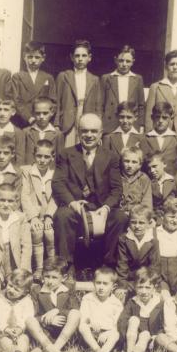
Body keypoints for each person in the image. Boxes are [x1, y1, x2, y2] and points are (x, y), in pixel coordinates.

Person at [52, 114, 127, 268]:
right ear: (78, 132)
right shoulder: (66, 154)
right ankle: (66, 267)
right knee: (62, 215)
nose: (89, 135)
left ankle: (108, 266)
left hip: (101, 208)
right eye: (85, 131)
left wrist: (106, 208)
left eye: (94, 131)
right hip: (76, 209)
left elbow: (117, 189)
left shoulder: (111, 156)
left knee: (120, 218)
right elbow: (58, 183)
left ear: (100, 133)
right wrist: (72, 203)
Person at [26, 257, 80, 352]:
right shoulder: (37, 290)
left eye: (54, 277)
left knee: (76, 314)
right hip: (46, 332)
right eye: (47, 276)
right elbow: (34, 315)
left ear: (63, 278)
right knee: (29, 320)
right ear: (42, 276)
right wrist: (45, 319)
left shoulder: (68, 288)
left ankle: (54, 349)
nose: (50, 281)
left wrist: (57, 310)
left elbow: (75, 309)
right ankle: (53, 351)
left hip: (64, 332)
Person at [20, 139, 57, 280]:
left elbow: (56, 197)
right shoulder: (26, 172)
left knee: (49, 232)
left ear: (52, 157)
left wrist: (49, 216)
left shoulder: (54, 174)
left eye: (46, 157)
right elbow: (24, 195)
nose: (42, 160)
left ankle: (52, 267)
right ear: (34, 155)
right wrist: (33, 217)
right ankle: (39, 268)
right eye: (39, 156)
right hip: (33, 214)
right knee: (36, 232)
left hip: (48, 213)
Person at [55, 40, 103, 147]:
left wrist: (98, 126)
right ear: (72, 57)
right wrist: (56, 123)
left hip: (87, 115)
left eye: (84, 55)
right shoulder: (64, 76)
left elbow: (98, 106)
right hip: (68, 118)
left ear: (89, 57)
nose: (80, 59)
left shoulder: (94, 79)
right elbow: (57, 101)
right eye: (77, 56)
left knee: (85, 147)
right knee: (68, 147)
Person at [144, 49, 177, 139]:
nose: (175, 67)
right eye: (172, 64)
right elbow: (149, 115)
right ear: (166, 66)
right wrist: (149, 135)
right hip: (160, 135)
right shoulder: (156, 87)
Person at [78, 267, 124, 352]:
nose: (101, 287)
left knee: (115, 334)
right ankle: (98, 350)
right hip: (91, 334)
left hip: (107, 335)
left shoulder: (116, 303)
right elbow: (84, 317)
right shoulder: (87, 298)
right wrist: (91, 323)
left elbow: (116, 324)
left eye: (105, 284)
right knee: (82, 327)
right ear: (94, 283)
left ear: (113, 286)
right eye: (98, 283)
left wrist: (108, 332)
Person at [117, 268, 163, 352]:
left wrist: (156, 337)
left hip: (150, 337)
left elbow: (164, 324)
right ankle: (129, 351)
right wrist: (124, 335)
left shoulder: (159, 304)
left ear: (154, 288)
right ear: (135, 287)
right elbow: (122, 320)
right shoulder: (133, 302)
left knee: (145, 334)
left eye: (147, 287)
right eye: (140, 287)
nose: (143, 291)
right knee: (134, 319)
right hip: (132, 336)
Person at [11, 41, 57, 128]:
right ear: (24, 57)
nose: (33, 60)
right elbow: (16, 100)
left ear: (43, 58)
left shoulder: (48, 77)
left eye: (37, 57)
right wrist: (29, 117)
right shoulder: (17, 77)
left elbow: (53, 101)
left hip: (42, 119)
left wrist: (45, 117)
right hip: (22, 120)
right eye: (30, 57)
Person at [101, 45, 145, 134]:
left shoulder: (137, 79)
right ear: (115, 60)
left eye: (128, 61)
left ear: (133, 62)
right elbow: (100, 104)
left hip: (130, 123)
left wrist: (141, 124)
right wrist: (100, 123)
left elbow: (141, 105)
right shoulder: (106, 78)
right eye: (121, 60)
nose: (124, 64)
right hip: (110, 123)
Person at [0, 269, 36, 352]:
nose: (11, 290)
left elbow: (27, 317)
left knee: (24, 339)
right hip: (3, 332)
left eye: (16, 289)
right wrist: (6, 329)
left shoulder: (27, 301)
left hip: (20, 332)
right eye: (10, 285)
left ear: (25, 291)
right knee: (4, 341)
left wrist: (20, 329)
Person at [116, 204, 159, 296]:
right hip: (129, 280)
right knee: (122, 295)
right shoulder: (123, 239)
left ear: (149, 223)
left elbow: (154, 266)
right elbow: (122, 264)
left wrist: (150, 283)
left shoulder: (153, 240)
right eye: (133, 222)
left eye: (141, 223)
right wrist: (123, 285)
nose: (137, 226)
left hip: (146, 281)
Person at [145, 102, 177, 176]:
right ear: (152, 117)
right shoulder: (146, 138)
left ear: (171, 118)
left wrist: (175, 179)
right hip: (150, 179)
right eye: (157, 117)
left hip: (171, 179)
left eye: (164, 117)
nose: (160, 121)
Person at [22, 97, 64, 165]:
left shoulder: (57, 134)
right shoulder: (26, 132)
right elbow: (21, 156)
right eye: (38, 113)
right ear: (33, 113)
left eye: (45, 113)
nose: (41, 116)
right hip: (29, 170)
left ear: (52, 112)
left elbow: (60, 160)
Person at [119, 146, 153, 214]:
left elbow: (147, 204)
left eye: (134, 162)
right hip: (119, 214)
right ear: (122, 161)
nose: (129, 165)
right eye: (126, 161)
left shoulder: (144, 179)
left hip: (137, 215)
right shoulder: (116, 176)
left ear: (140, 165)